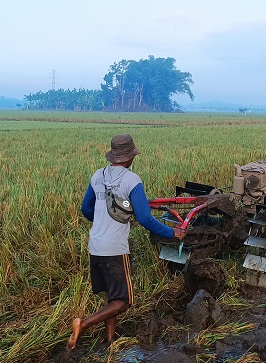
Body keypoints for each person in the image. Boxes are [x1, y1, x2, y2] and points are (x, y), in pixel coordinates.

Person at [67, 134, 184, 350]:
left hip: (96, 246)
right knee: (124, 301)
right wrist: (172, 233)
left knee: (112, 296)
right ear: (130, 157)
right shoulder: (132, 180)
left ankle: (110, 340)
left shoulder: (98, 175)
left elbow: (86, 208)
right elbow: (145, 217)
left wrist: (103, 220)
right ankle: (83, 324)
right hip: (115, 248)